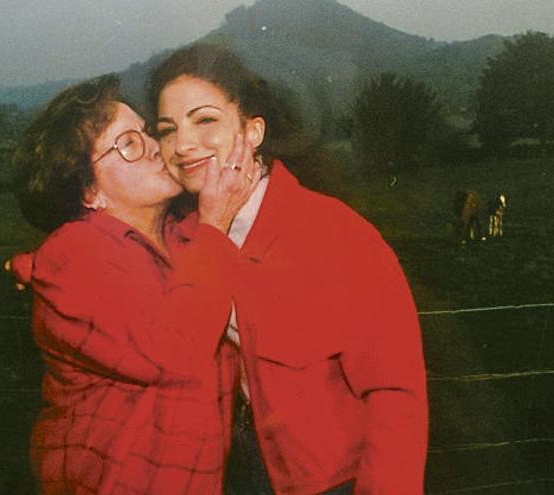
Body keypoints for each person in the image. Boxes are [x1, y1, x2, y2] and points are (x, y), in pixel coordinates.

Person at [148, 44, 429, 495]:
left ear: (253, 130)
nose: (182, 145)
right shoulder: (180, 237)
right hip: (228, 473)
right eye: (167, 129)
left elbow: (395, 393)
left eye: (205, 120)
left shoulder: (334, 233)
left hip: (331, 480)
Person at [9, 73, 261, 494]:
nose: (154, 149)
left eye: (147, 132)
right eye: (128, 144)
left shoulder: (184, 238)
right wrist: (216, 224)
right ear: (90, 191)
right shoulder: (73, 256)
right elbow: (174, 353)